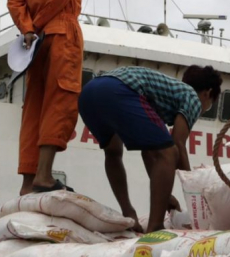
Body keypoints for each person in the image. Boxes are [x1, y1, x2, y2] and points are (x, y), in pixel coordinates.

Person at [77, 65, 221, 232]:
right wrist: (194, 193)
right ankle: (155, 226)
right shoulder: (193, 97)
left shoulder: (162, 98)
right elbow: (177, 144)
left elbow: (150, 153)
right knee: (169, 152)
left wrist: (165, 196)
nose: (203, 111)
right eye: (209, 107)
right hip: (121, 89)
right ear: (207, 93)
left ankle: (129, 215)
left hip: (89, 93)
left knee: (113, 153)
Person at [7, 0, 88, 194]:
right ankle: (44, 175)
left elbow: (14, 1)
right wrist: (40, 24)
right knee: (60, 100)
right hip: (61, 31)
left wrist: (29, 30)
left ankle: (27, 183)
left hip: (34, 45)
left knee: (34, 108)